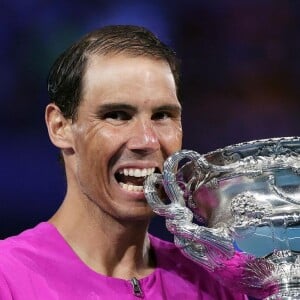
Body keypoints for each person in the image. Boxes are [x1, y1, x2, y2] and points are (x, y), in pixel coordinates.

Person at [0, 25, 248, 299]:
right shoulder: (7, 277)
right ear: (60, 127)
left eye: (162, 115)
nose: (147, 140)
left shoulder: (212, 284)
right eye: (117, 115)